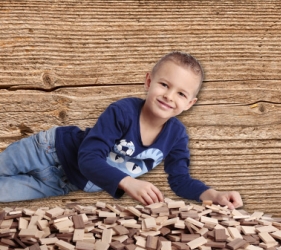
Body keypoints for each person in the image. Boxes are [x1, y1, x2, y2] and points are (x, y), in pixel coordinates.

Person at [0, 51, 243, 209]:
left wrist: (211, 194)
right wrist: (128, 183)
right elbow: (88, 158)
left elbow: (180, 180)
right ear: (149, 82)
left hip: (63, 183)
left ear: (190, 104)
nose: (169, 96)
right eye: (164, 85)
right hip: (48, 150)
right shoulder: (123, 111)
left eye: (181, 93)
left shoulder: (176, 136)